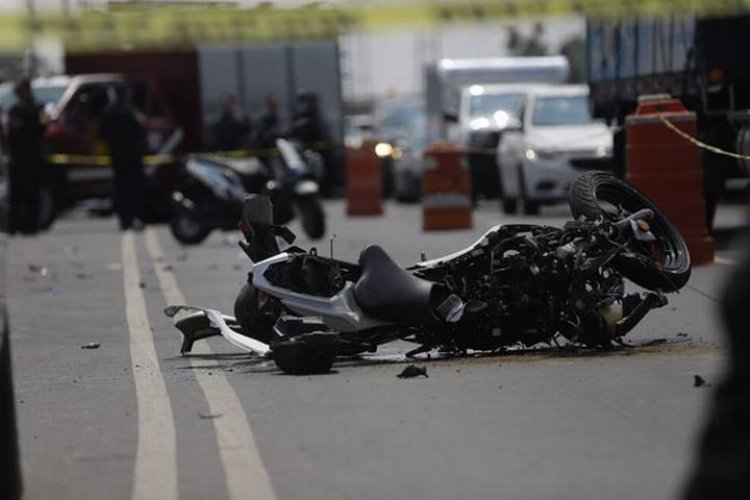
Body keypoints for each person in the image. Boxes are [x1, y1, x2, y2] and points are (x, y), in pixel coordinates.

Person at [99, 86, 147, 230]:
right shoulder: (131, 112)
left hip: (118, 156)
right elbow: (141, 132)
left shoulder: (109, 112)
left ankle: (124, 219)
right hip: (132, 156)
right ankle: (133, 217)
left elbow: (102, 133)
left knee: (121, 188)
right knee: (134, 188)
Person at [6, 78, 46, 235]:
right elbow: (11, 133)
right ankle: (14, 225)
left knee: (32, 194)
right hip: (18, 158)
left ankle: (31, 226)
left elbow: (43, 128)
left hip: (33, 157)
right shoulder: (14, 110)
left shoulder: (38, 108)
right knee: (16, 195)